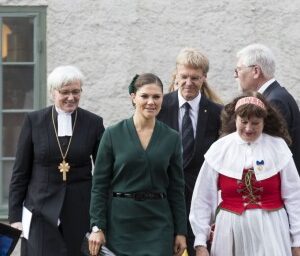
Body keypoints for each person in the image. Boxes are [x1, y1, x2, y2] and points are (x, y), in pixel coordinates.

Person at [9, 65, 105, 256]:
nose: (71, 97)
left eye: (76, 92)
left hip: (80, 212)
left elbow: (103, 173)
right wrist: (14, 217)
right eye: (65, 92)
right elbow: (20, 172)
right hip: (39, 211)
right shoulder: (34, 121)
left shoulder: (93, 123)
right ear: (53, 93)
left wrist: (99, 221)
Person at [190, 91, 300, 256]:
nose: (249, 128)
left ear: (264, 122)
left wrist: (297, 240)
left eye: (255, 123)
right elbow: (202, 199)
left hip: (272, 229)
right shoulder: (220, 149)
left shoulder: (278, 147)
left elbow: (294, 197)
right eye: (244, 121)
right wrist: (200, 242)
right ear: (235, 119)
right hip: (230, 232)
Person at [89, 73, 187, 256]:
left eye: (156, 97)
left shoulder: (172, 137)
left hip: (159, 224)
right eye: (144, 96)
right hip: (120, 224)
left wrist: (181, 231)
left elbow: (176, 188)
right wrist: (97, 226)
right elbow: (99, 186)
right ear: (133, 98)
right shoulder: (112, 134)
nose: (151, 102)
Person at [157, 47, 223, 256]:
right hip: (163, 198)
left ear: (204, 77)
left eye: (195, 78)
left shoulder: (217, 113)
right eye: (183, 76)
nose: (188, 82)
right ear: (175, 75)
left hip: (200, 199)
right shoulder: (159, 106)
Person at [234, 43, 300, 173]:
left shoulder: (274, 101)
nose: (235, 75)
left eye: (239, 69)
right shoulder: (277, 95)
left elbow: (271, 150)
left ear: (256, 71)